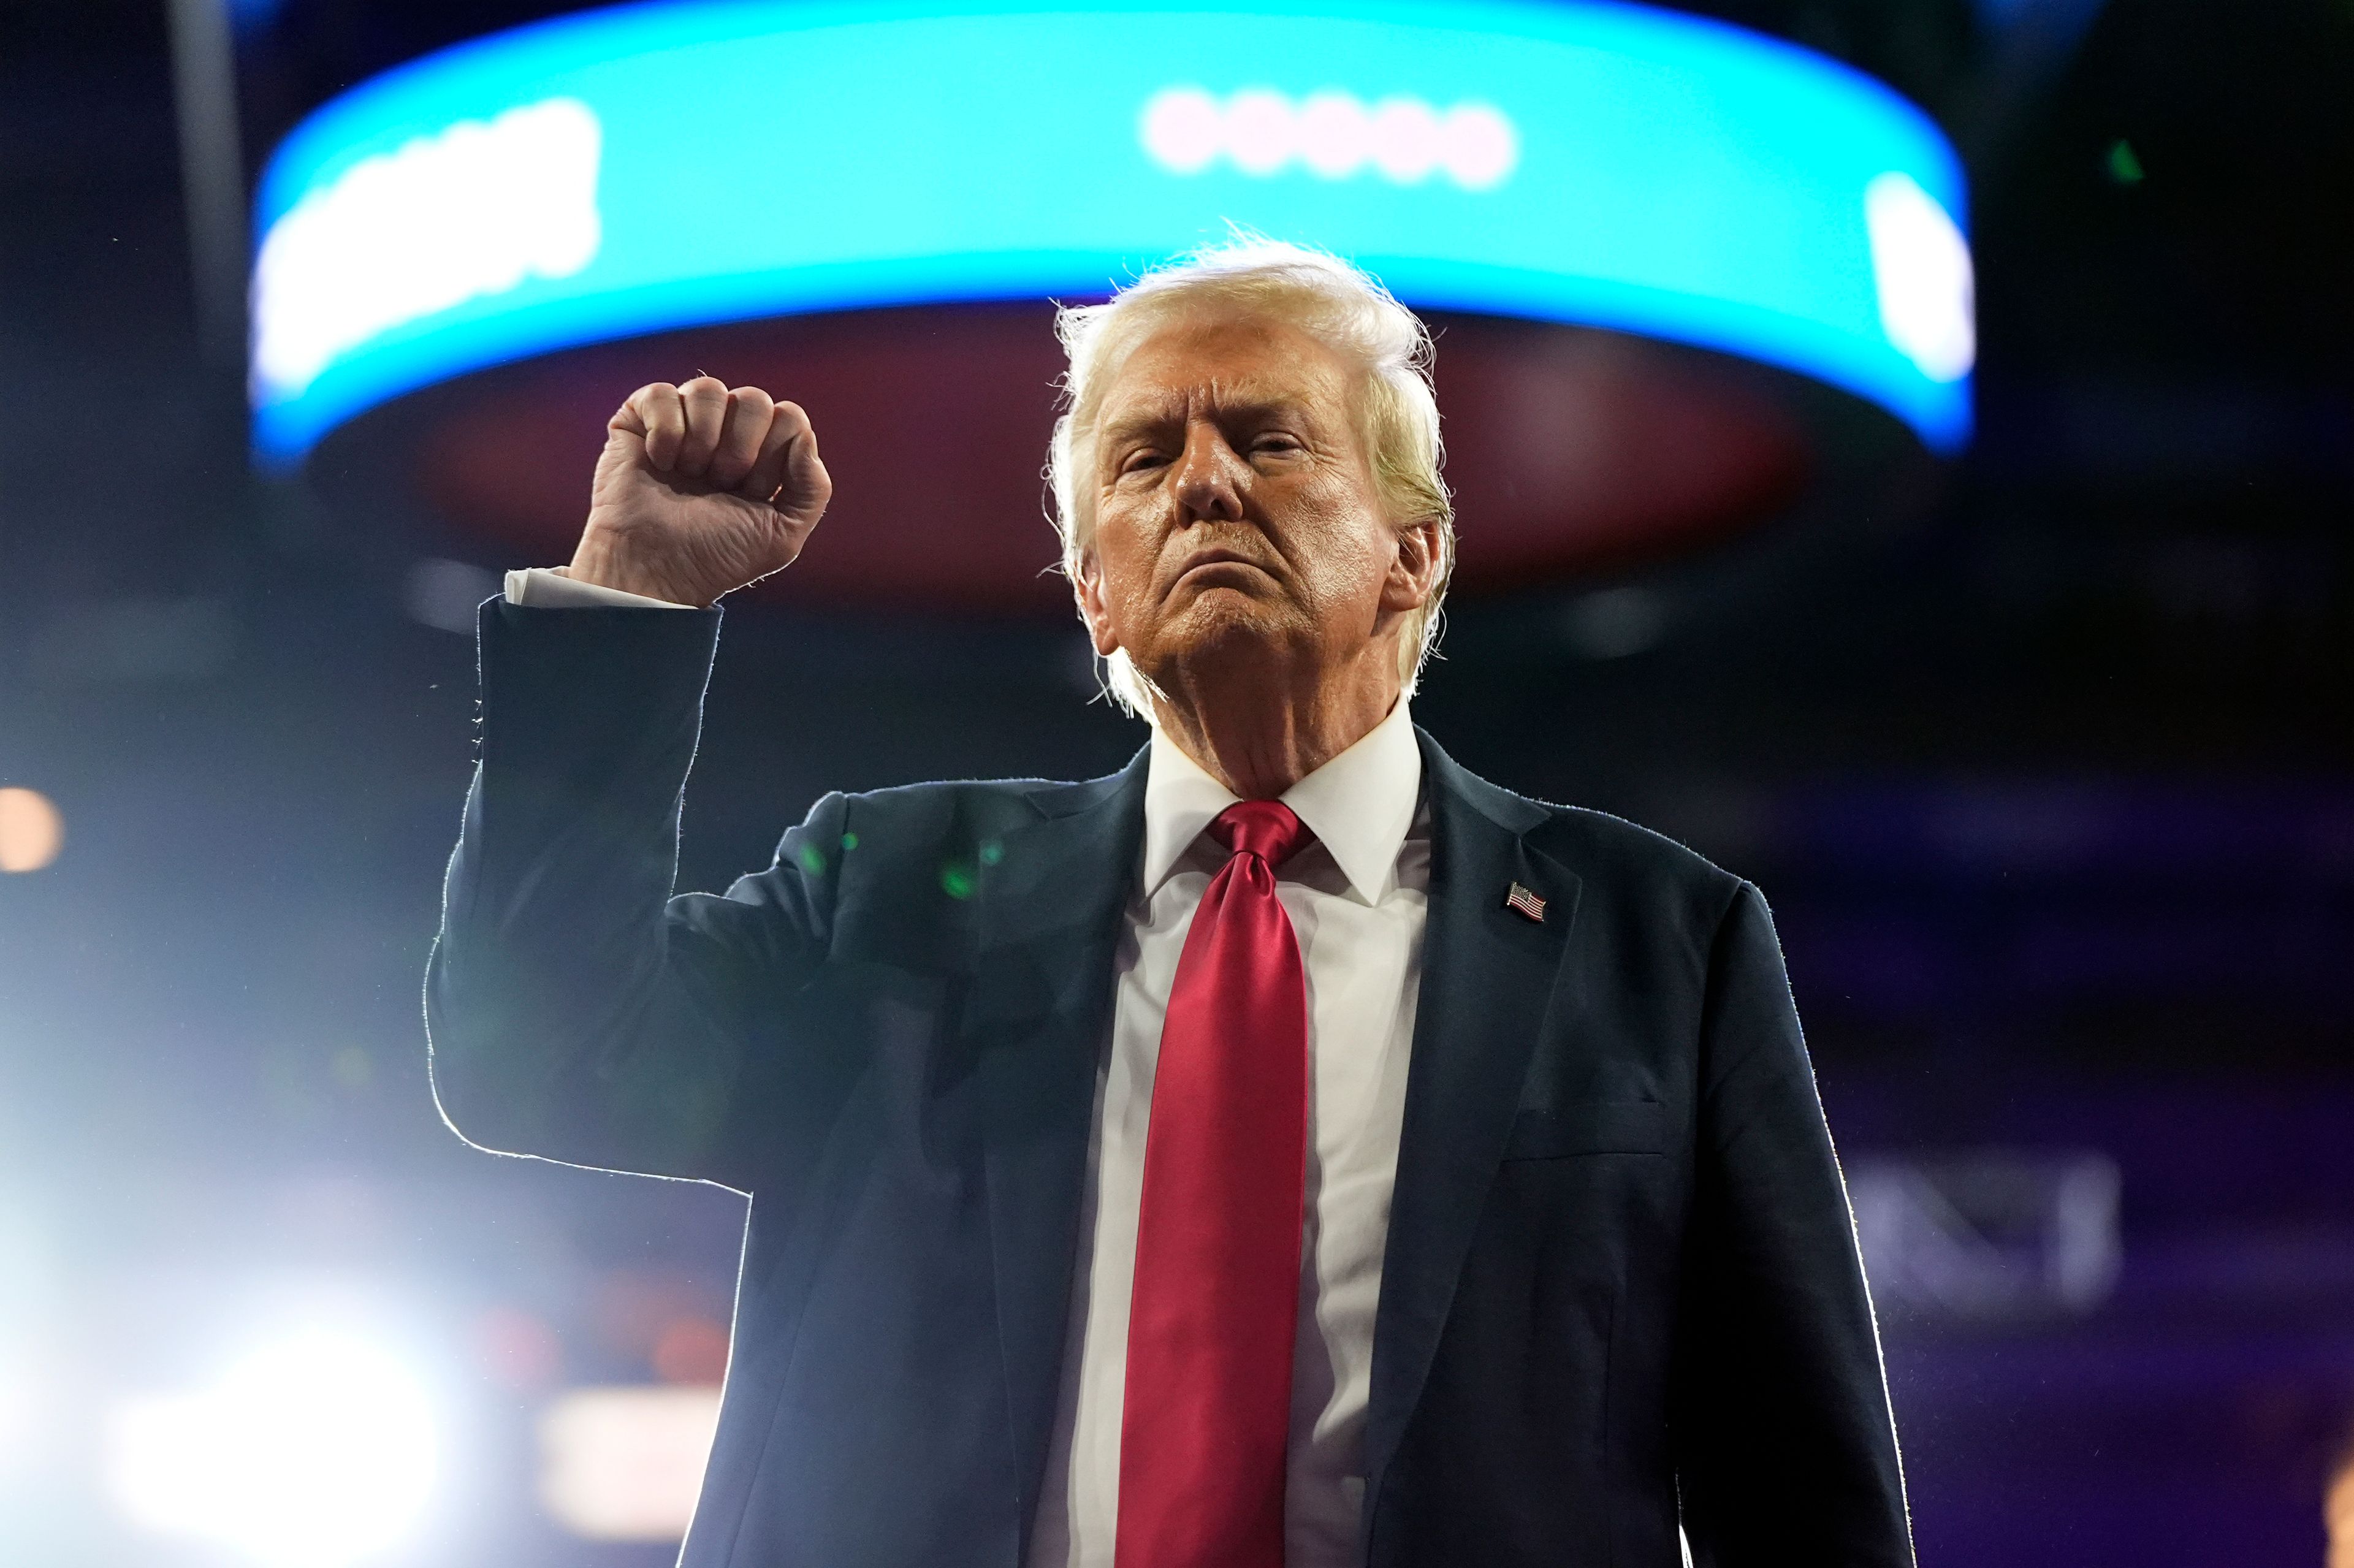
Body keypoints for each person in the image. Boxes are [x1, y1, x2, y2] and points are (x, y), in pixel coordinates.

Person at [426, 238, 1912, 1568]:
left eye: (1269, 440)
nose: (1203, 480)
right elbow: (542, 1052)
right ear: (1095, 591)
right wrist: (630, 598)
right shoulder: (890, 897)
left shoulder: (1662, 944)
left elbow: (1805, 1504)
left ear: (1416, 552)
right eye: (1143, 459)